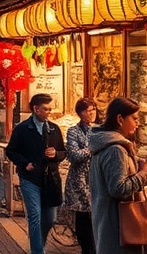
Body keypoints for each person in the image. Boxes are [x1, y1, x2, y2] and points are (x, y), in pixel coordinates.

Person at [89, 97, 147, 254]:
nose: (137, 124)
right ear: (119, 119)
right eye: (135, 119)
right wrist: (143, 173)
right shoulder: (115, 150)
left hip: (108, 225)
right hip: (118, 228)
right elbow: (118, 189)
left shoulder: (107, 144)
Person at [5, 93, 66, 254]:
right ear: (36, 109)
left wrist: (56, 154)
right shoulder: (23, 129)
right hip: (30, 179)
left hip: (50, 179)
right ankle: (37, 251)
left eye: (50, 109)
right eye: (45, 109)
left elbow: (63, 152)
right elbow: (11, 151)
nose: (48, 112)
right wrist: (25, 164)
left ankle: (40, 243)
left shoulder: (53, 129)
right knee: (34, 216)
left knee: (50, 218)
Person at [63, 98, 97, 254]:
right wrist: (92, 149)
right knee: (83, 218)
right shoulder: (73, 131)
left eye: (93, 110)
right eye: (88, 111)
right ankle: (86, 249)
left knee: (95, 218)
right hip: (79, 180)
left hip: (95, 178)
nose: (92, 113)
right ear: (80, 113)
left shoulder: (99, 130)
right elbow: (74, 155)